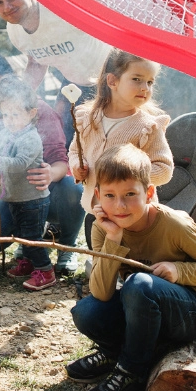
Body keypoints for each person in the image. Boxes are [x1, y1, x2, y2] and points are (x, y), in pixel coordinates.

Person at [66, 144, 196, 391]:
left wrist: (179, 271)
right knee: (86, 312)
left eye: (130, 194)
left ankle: (131, 372)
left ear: (149, 193)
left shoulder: (174, 223)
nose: (120, 205)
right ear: (98, 196)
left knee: (139, 284)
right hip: (143, 308)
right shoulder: (103, 227)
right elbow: (102, 293)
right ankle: (114, 353)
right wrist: (114, 238)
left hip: (191, 311)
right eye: (110, 195)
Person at [0, 51, 84, 274]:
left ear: (8, 76)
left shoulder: (37, 110)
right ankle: (33, 238)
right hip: (17, 196)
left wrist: (50, 173)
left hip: (47, 192)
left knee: (73, 188)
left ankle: (67, 245)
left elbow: (61, 161)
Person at [0, 0, 110, 142]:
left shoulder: (59, 7)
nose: (7, 7)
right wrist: (19, 98)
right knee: (61, 137)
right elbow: (37, 62)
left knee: (111, 141)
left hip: (111, 78)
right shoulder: (14, 32)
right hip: (74, 84)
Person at [68, 49, 174, 248]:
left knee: (128, 262)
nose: (145, 88)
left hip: (134, 219)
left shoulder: (147, 127)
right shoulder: (88, 118)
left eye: (150, 82)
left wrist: (127, 175)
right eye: (137, 79)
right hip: (97, 211)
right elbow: (75, 151)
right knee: (101, 261)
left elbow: (164, 170)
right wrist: (77, 166)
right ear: (112, 81)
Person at [0, 76, 57, 291]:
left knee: (31, 237)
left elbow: (20, 164)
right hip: (15, 197)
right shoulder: (8, 133)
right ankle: (29, 263)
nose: (9, 120)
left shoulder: (30, 138)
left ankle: (46, 271)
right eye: (5, 115)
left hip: (32, 199)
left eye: (15, 114)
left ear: (31, 113)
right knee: (22, 234)